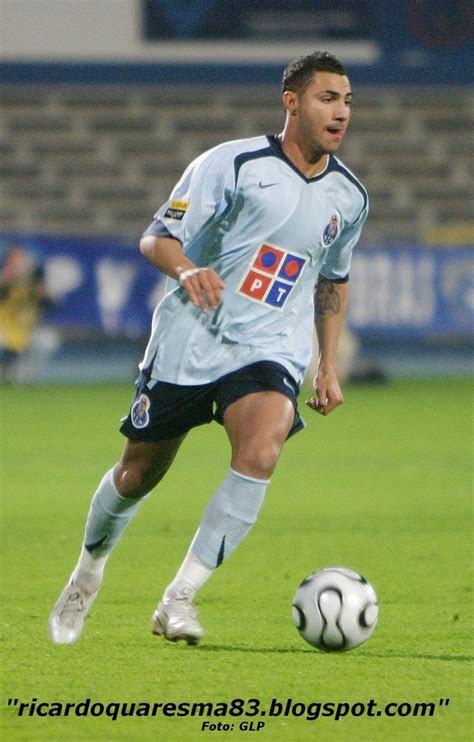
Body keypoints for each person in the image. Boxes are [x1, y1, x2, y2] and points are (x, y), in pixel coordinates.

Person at [49, 51, 368, 645]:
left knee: (262, 450)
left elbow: (332, 279)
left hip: (269, 347)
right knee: (137, 473)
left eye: (348, 100)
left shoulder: (349, 196)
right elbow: (156, 238)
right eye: (328, 98)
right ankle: (86, 575)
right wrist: (189, 271)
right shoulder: (232, 164)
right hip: (192, 340)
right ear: (292, 102)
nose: (341, 112)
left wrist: (326, 364)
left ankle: (180, 598)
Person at [0, 244, 53, 383]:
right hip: (3, 327)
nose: (18, 262)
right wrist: (5, 280)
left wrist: (42, 294)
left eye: (21, 258)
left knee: (48, 341)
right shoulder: (4, 276)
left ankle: (26, 376)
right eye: (15, 258)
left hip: (26, 328)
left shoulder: (34, 279)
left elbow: (50, 304)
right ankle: (5, 372)